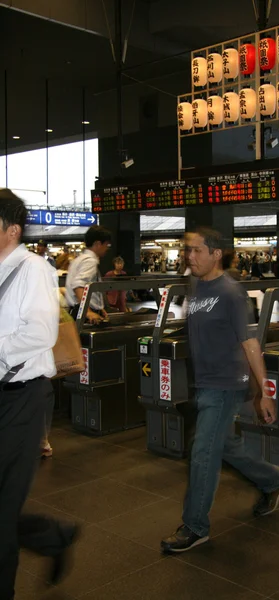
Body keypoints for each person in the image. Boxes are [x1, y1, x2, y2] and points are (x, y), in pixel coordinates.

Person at [161, 228, 279, 554]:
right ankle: (273, 479)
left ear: (216, 254)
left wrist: (266, 392)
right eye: (187, 251)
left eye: (196, 251)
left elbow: (250, 344)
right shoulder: (197, 286)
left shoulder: (231, 292)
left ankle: (195, 526)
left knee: (203, 452)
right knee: (224, 445)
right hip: (205, 382)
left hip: (226, 384)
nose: (189, 256)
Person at [0, 189, 79, 599]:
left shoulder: (34, 270)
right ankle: (52, 537)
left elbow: (41, 333)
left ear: (11, 230)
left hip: (20, 399)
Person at [65, 226, 111, 324]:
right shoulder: (90, 261)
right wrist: (88, 311)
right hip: (83, 316)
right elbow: (78, 285)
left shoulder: (79, 259)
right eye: (106, 244)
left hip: (76, 311)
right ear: (98, 244)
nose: (107, 248)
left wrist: (98, 306)